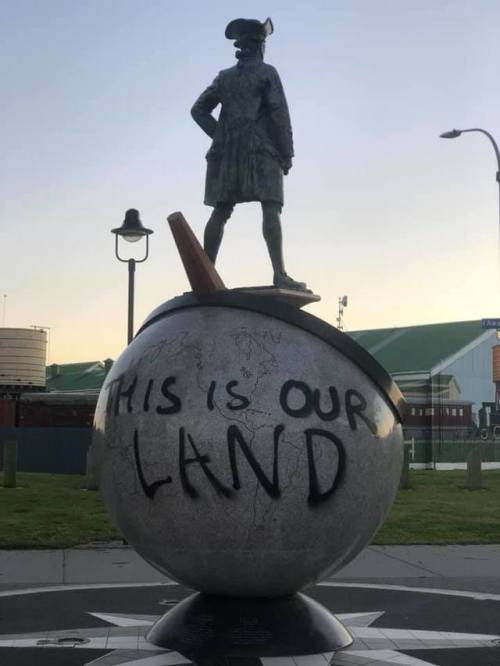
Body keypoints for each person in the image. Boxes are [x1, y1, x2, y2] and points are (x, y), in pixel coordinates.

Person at [191, 17, 307, 291]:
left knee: (221, 210)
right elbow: (279, 114)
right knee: (270, 206)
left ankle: (206, 275)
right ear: (260, 45)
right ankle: (279, 273)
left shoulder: (224, 77)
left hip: (227, 154)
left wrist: (221, 136)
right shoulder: (267, 73)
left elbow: (198, 110)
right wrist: (287, 153)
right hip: (261, 149)